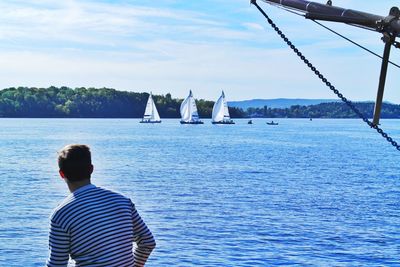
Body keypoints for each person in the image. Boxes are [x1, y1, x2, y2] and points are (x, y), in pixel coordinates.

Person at [46, 144, 156, 267]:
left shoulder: (61, 214)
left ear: (61, 174)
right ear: (91, 169)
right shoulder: (123, 201)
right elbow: (148, 242)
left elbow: (56, 264)